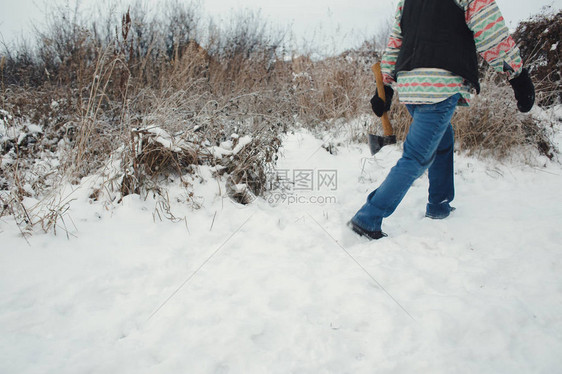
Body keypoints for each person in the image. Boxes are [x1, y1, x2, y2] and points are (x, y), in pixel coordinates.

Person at [348, 0, 535, 240]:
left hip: (411, 86)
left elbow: (396, 41)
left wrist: (387, 86)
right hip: (439, 85)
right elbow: (492, 33)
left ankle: (439, 203)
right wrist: (517, 75)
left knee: (443, 137)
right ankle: (367, 218)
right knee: (416, 156)